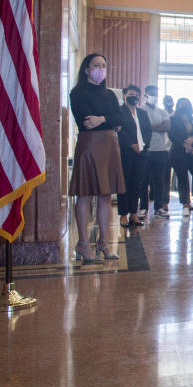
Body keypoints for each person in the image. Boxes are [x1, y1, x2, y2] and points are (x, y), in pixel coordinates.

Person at [68, 53, 124, 263]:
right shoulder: (78, 93)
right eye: (96, 65)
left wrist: (102, 118)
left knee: (106, 195)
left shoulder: (109, 94)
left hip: (109, 145)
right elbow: (86, 121)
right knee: (85, 194)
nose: (100, 68)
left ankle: (104, 242)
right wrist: (109, 120)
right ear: (86, 69)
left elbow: (121, 119)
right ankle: (83, 243)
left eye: (103, 65)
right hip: (90, 144)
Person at [117, 85, 151, 229]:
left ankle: (134, 213)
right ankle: (123, 214)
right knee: (124, 183)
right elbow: (119, 131)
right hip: (126, 152)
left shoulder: (142, 113)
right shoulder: (119, 111)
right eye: (131, 94)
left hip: (141, 153)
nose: (135, 97)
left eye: (137, 95)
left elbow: (148, 131)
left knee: (136, 183)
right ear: (124, 95)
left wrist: (143, 146)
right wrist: (132, 145)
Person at [169, 98, 193, 215]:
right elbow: (172, 135)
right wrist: (184, 145)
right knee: (183, 179)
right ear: (178, 106)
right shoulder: (173, 119)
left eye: (186, 104)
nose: (183, 106)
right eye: (181, 104)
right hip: (178, 153)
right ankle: (185, 204)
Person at [142, 85, 171, 219]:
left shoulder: (162, 112)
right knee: (144, 180)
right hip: (146, 149)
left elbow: (167, 127)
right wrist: (157, 126)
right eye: (151, 93)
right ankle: (143, 207)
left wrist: (150, 127)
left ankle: (158, 207)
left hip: (161, 150)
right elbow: (142, 127)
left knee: (160, 181)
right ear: (146, 95)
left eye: (156, 93)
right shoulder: (141, 110)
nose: (154, 95)